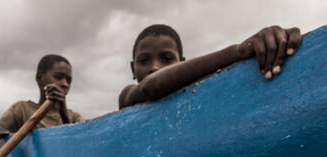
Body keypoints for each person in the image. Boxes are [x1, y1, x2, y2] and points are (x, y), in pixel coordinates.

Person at [119, 24, 302, 109]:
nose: (155, 68)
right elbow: (150, 87)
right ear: (132, 69)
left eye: (166, 59)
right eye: (144, 61)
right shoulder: (128, 94)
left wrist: (276, 45)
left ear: (182, 64)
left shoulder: (194, 92)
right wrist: (238, 51)